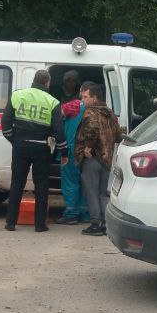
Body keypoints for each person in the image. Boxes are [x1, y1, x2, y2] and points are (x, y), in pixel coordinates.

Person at [2, 69, 64, 232]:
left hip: (20, 146)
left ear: (34, 80)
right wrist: (64, 151)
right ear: (47, 83)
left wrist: (14, 140)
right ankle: (40, 225)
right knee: (41, 185)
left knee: (17, 184)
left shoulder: (17, 95)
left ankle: (10, 223)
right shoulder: (53, 102)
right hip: (41, 147)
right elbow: (58, 131)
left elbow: (5, 121)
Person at [74, 81, 121, 236]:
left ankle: (95, 225)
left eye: (86, 97)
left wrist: (88, 147)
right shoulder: (110, 112)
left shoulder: (90, 112)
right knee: (102, 194)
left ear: (94, 98)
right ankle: (104, 224)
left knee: (91, 193)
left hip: (93, 159)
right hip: (107, 159)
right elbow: (118, 135)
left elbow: (92, 129)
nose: (83, 101)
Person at [55, 70, 89, 225]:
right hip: (86, 151)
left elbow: (57, 114)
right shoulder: (97, 108)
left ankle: (71, 213)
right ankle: (84, 213)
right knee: (83, 182)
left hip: (70, 150)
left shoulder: (75, 104)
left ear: (81, 90)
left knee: (70, 182)